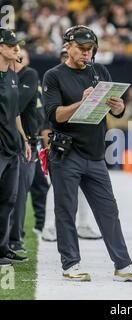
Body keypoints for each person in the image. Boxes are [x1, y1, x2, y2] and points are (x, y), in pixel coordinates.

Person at [42, 25, 132, 282]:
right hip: (66, 153)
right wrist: (82, 103)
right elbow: (54, 115)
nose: (86, 53)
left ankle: (123, 265)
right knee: (65, 209)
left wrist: (118, 106)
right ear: (67, 46)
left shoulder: (99, 71)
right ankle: (71, 264)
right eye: (81, 49)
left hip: (95, 153)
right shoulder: (53, 75)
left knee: (108, 211)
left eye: (90, 49)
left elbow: (114, 112)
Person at [41, 47, 102, 242]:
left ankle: (83, 224)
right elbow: (48, 120)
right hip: (62, 145)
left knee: (83, 187)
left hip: (85, 145)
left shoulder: (87, 79)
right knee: (56, 188)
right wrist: (47, 147)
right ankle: (49, 226)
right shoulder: (54, 79)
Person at [0, 28, 31, 267]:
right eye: (11, 45)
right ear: (0, 47)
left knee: (9, 199)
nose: (16, 49)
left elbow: (16, 111)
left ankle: (3, 248)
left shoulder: (12, 73)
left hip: (13, 147)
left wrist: (24, 138)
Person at [9, 48, 41, 254]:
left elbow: (15, 105)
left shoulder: (29, 75)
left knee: (19, 193)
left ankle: (14, 239)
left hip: (25, 143)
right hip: (7, 142)